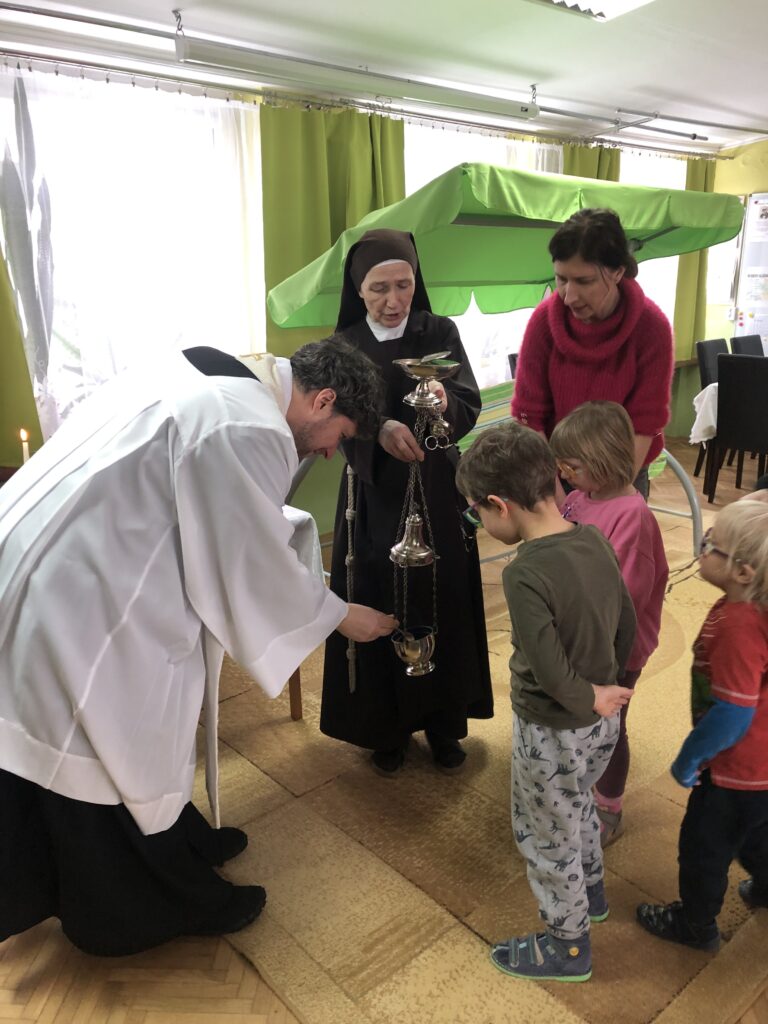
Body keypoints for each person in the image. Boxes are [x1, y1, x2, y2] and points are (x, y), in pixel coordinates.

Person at [0, 338, 398, 957]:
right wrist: (340, 615)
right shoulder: (248, 425)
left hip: (52, 556)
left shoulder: (219, 366)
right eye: (337, 436)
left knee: (118, 732)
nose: (328, 453)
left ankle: (177, 837)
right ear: (322, 399)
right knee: (110, 735)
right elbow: (248, 561)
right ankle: (146, 902)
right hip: (84, 601)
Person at [455, 421, 636, 983]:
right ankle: (594, 894)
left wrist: (583, 694)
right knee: (578, 805)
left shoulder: (524, 572)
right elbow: (625, 622)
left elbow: (550, 667)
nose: (481, 525)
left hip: (552, 727)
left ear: (498, 504)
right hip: (603, 720)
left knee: (543, 833)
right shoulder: (595, 537)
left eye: (477, 514)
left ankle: (568, 945)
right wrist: (607, 688)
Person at [320, 228, 493, 776]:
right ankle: (385, 728)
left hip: (436, 489)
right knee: (377, 595)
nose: (393, 301)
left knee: (440, 594)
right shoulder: (343, 344)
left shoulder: (438, 330)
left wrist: (445, 398)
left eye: (404, 285)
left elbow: (468, 397)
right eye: (379, 289)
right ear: (358, 289)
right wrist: (379, 427)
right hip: (373, 495)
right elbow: (333, 418)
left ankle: (444, 723)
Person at [637, 499, 768, 952]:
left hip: (735, 767)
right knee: (756, 832)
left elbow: (733, 714)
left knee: (703, 848)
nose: (702, 546)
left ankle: (695, 925)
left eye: (712, 545)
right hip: (761, 769)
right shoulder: (748, 609)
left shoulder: (739, 626)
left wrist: (692, 756)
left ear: (744, 572)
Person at [550, 401, 669, 845]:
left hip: (616, 647)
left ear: (602, 463)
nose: (563, 472)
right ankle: (579, 788)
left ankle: (608, 806)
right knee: (579, 721)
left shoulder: (632, 516)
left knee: (609, 729)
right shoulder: (582, 496)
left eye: (572, 465)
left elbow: (623, 599)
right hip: (579, 637)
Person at [511, 207, 674, 499]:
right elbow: (529, 418)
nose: (569, 296)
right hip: (553, 471)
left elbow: (645, 423)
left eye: (584, 281)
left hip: (623, 472)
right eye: (561, 279)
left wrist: (609, 500)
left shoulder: (652, 328)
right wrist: (559, 499)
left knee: (614, 545)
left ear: (617, 272)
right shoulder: (543, 323)